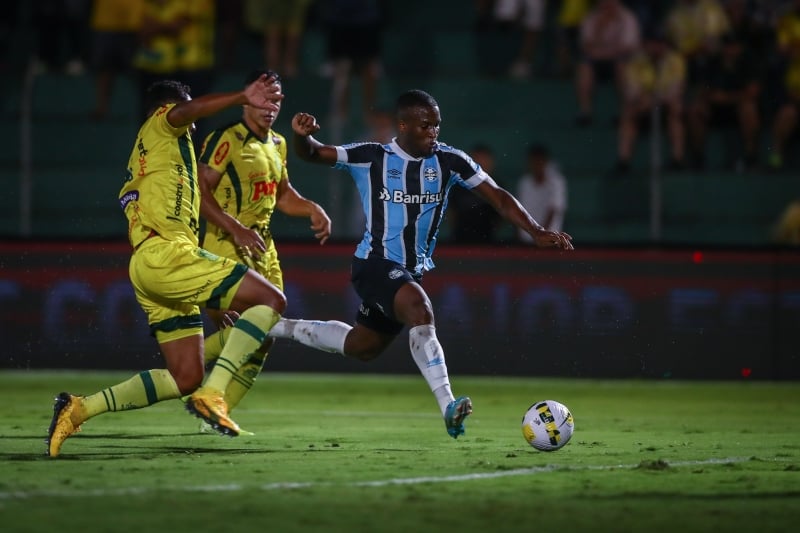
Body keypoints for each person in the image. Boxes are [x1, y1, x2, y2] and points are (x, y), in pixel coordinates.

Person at [267, 89, 574, 440]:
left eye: (437, 126)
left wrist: (535, 230)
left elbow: (498, 196)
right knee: (419, 306)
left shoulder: (449, 161)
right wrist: (301, 135)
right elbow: (313, 154)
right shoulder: (372, 156)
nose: (433, 133)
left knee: (361, 346)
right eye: (426, 126)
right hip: (374, 263)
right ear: (403, 125)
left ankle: (274, 327)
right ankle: (448, 405)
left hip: (409, 271)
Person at [46, 74, 287, 457]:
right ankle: (215, 393)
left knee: (185, 375)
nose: (191, 120)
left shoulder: (163, 152)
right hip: (167, 254)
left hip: (149, 262)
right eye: (185, 109)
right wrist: (242, 95)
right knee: (271, 301)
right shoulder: (161, 125)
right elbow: (182, 112)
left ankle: (79, 409)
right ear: (167, 108)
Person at [196, 69, 332, 418]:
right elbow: (200, 191)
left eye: (276, 100)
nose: (270, 106)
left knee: (262, 336)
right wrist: (236, 227)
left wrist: (311, 208)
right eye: (264, 98)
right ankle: (184, 372)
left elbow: (283, 195)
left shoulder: (278, 143)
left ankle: (216, 411)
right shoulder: (227, 138)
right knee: (243, 328)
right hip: (225, 246)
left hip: (263, 250)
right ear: (247, 98)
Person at [615, 30, 687, 174]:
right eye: (653, 43)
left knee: (675, 111)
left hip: (665, 109)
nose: (656, 48)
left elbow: (675, 90)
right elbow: (631, 92)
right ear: (646, 45)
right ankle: (623, 161)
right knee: (629, 113)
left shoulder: (676, 61)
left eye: (660, 44)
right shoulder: (635, 62)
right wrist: (648, 99)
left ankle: (677, 160)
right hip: (643, 108)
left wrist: (655, 99)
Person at [573, 0, 641, 127]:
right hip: (598, 60)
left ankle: (624, 112)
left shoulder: (628, 18)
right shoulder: (591, 18)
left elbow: (628, 47)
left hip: (620, 60)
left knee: (621, 65)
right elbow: (586, 46)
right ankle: (585, 112)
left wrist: (603, 51)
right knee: (585, 66)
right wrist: (599, 28)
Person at [448, 143, 503, 243]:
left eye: (484, 159)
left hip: (488, 241)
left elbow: (501, 217)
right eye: (477, 159)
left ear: (491, 162)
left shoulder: (497, 186)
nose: (481, 163)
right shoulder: (458, 184)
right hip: (460, 240)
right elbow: (452, 214)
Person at [515, 143, 567, 241]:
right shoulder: (524, 182)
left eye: (539, 161)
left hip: (550, 240)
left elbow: (554, 210)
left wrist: (541, 235)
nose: (536, 165)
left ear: (546, 162)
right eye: (533, 162)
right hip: (525, 240)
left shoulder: (557, 182)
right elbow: (519, 210)